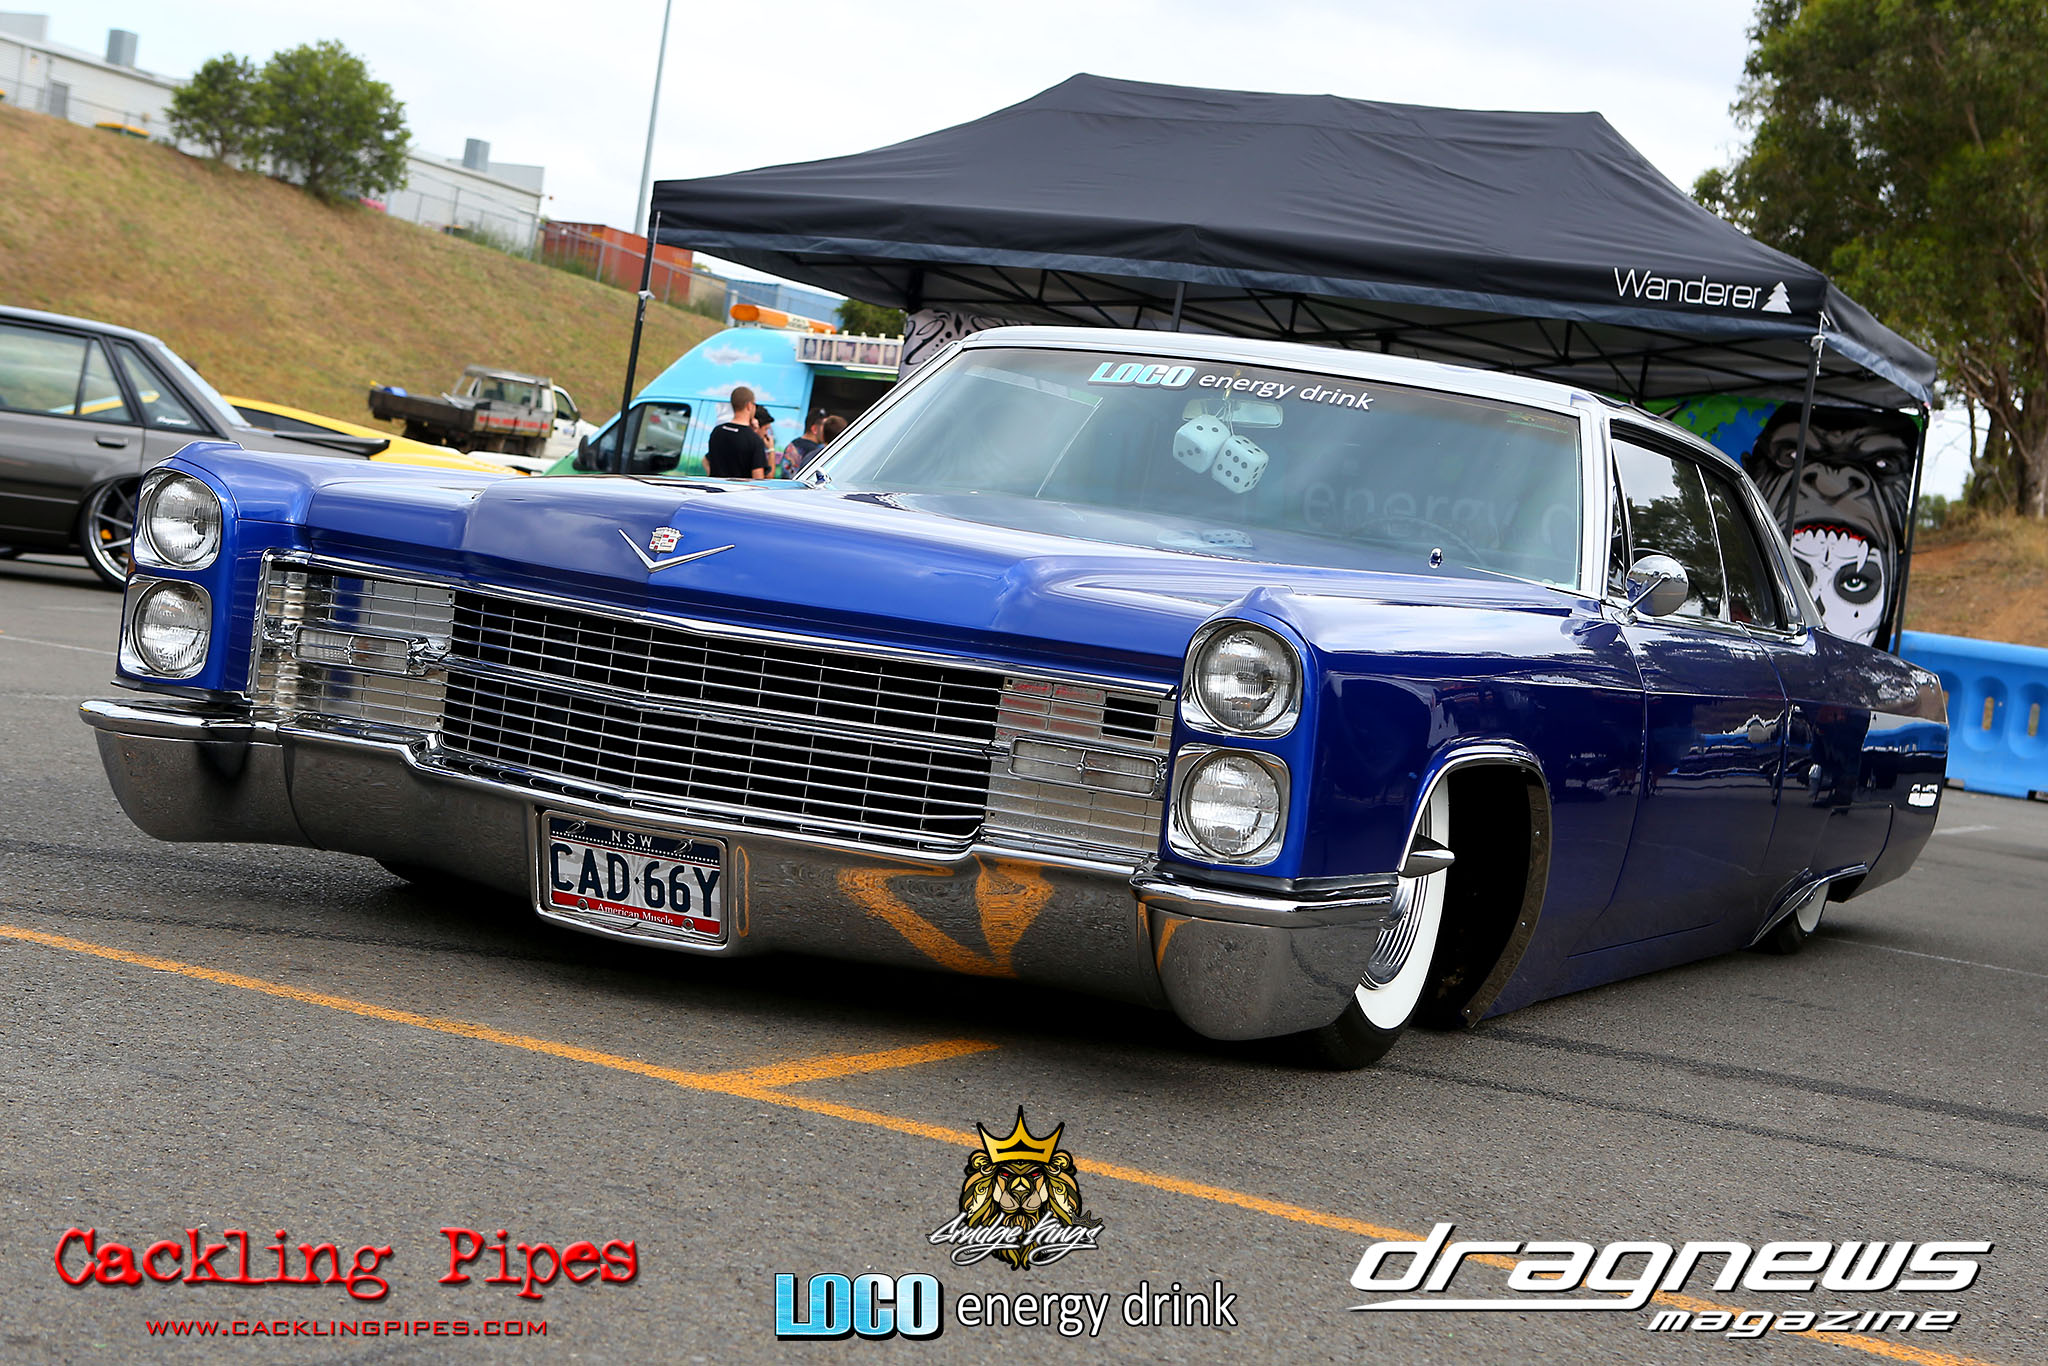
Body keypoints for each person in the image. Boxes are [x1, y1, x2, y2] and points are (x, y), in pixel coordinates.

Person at [705, 386, 770, 479]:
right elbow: (758, 479)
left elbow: (707, 461)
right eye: (754, 404)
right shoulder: (755, 440)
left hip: (716, 487)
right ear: (749, 405)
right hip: (740, 489)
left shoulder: (717, 431)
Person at [776, 407, 831, 478]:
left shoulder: (792, 443)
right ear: (814, 429)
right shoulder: (815, 451)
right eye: (825, 427)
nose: (827, 430)